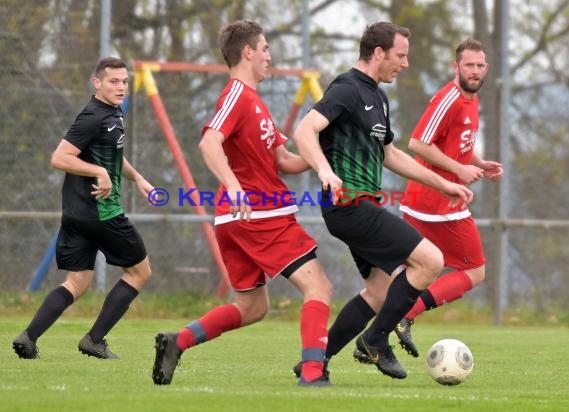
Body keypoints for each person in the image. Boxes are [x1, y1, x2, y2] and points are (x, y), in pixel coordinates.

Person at [151, 20, 332, 387]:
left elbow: (285, 162)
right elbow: (208, 143)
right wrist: (233, 185)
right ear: (247, 52)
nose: (270, 56)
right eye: (264, 48)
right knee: (319, 288)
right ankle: (313, 374)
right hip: (261, 214)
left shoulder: (256, 103)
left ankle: (177, 342)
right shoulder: (236, 95)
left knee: (253, 307)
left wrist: (323, 153)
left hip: (241, 219)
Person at [292, 22, 473, 380]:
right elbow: (304, 130)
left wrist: (443, 184)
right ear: (378, 53)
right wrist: (326, 172)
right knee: (430, 261)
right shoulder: (346, 89)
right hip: (349, 205)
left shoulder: (378, 96)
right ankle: (374, 340)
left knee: (379, 291)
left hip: (362, 205)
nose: (405, 64)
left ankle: (316, 362)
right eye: (401, 55)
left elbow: (390, 154)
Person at [12, 57, 153, 360]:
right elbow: (59, 157)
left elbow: (111, 154)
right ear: (97, 83)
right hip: (101, 212)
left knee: (77, 282)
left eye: (125, 82)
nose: (121, 87)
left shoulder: (111, 115)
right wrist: (99, 174)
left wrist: (138, 178)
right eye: (114, 81)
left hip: (76, 214)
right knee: (140, 272)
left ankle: (29, 337)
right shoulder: (93, 116)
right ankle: (94, 339)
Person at [394, 39, 503, 357]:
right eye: (469, 65)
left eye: (480, 65)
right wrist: (458, 170)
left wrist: (478, 163)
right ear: (456, 67)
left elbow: (456, 143)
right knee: (474, 271)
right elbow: (417, 143)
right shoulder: (449, 98)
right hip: (437, 203)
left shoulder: (471, 97)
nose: (475, 70)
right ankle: (404, 316)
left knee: (402, 273)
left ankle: (372, 338)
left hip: (433, 200)